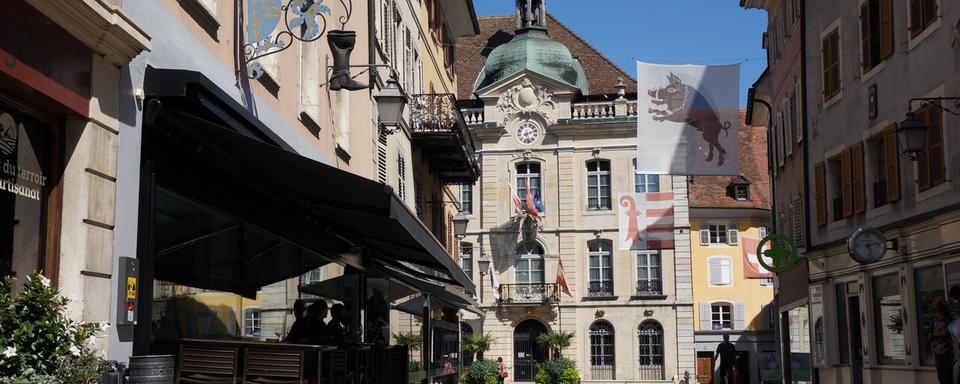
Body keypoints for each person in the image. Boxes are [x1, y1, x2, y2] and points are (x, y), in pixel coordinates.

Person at [930, 297, 954, 384]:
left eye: (936, 306)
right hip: (938, 353)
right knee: (941, 376)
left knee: (947, 377)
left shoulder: (947, 318)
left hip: (946, 352)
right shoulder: (936, 319)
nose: (935, 309)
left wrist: (933, 335)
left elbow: (946, 332)